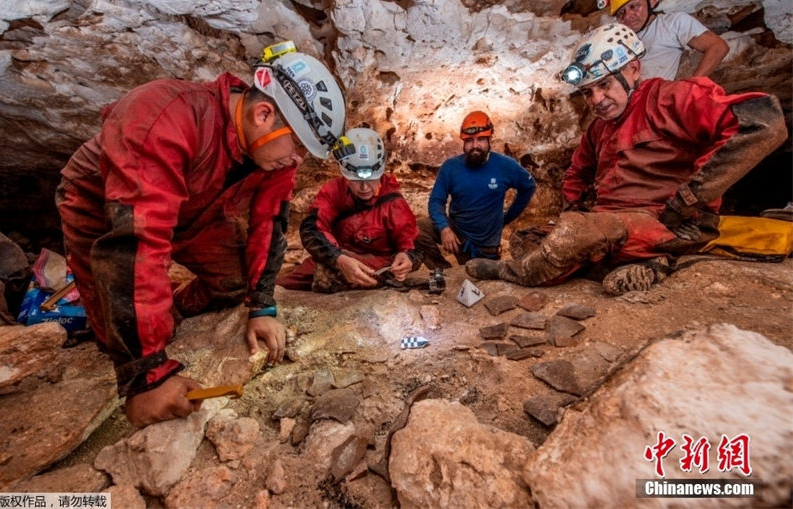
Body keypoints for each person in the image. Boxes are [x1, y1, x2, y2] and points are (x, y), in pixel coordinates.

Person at [55, 42, 346, 428]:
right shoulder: (164, 114)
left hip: (195, 207)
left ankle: (168, 311)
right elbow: (137, 241)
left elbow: (269, 223)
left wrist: (261, 306)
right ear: (264, 114)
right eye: (298, 147)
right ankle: (144, 340)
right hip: (104, 208)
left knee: (233, 283)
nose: (297, 160)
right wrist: (148, 377)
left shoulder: (271, 158)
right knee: (117, 331)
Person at [466, 23, 786, 294]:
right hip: (611, 222)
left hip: (665, 221)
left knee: (573, 237)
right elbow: (577, 172)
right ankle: (637, 262)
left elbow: (764, 124)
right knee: (528, 237)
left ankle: (510, 272)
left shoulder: (671, 98)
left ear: (633, 70)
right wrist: (574, 209)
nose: (596, 100)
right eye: (588, 92)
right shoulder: (599, 129)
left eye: (603, 85)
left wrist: (689, 198)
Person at [277, 127, 422, 292]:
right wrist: (338, 258)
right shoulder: (333, 192)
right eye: (356, 180)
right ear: (344, 174)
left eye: (372, 180)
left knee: (327, 278)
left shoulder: (392, 202)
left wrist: (407, 257)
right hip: (337, 256)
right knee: (282, 286)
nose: (364, 187)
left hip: (377, 265)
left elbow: (411, 242)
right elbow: (312, 229)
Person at [415, 111, 537, 269]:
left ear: (489, 139)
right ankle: (443, 271)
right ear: (463, 143)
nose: (475, 146)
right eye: (469, 141)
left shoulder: (505, 165)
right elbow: (436, 201)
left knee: (475, 281)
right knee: (415, 229)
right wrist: (444, 228)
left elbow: (528, 186)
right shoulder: (451, 167)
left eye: (480, 140)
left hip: (484, 246)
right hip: (456, 233)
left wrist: (505, 218)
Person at [605, 0, 729, 80]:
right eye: (621, 13)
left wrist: (690, 87)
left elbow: (718, 47)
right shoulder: (618, 41)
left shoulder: (673, 23)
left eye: (634, 6)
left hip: (657, 101)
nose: (628, 16)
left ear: (652, 0)